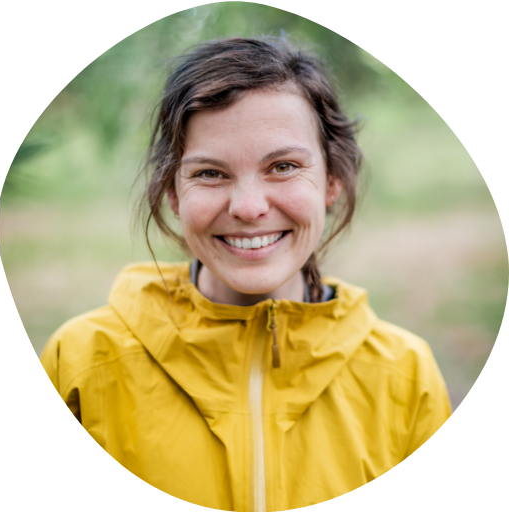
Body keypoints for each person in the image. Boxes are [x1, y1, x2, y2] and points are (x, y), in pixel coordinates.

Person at [40, 37, 452, 510]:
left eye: (283, 166)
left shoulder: (405, 375)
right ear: (173, 193)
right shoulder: (81, 364)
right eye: (210, 173)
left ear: (332, 180)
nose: (249, 207)